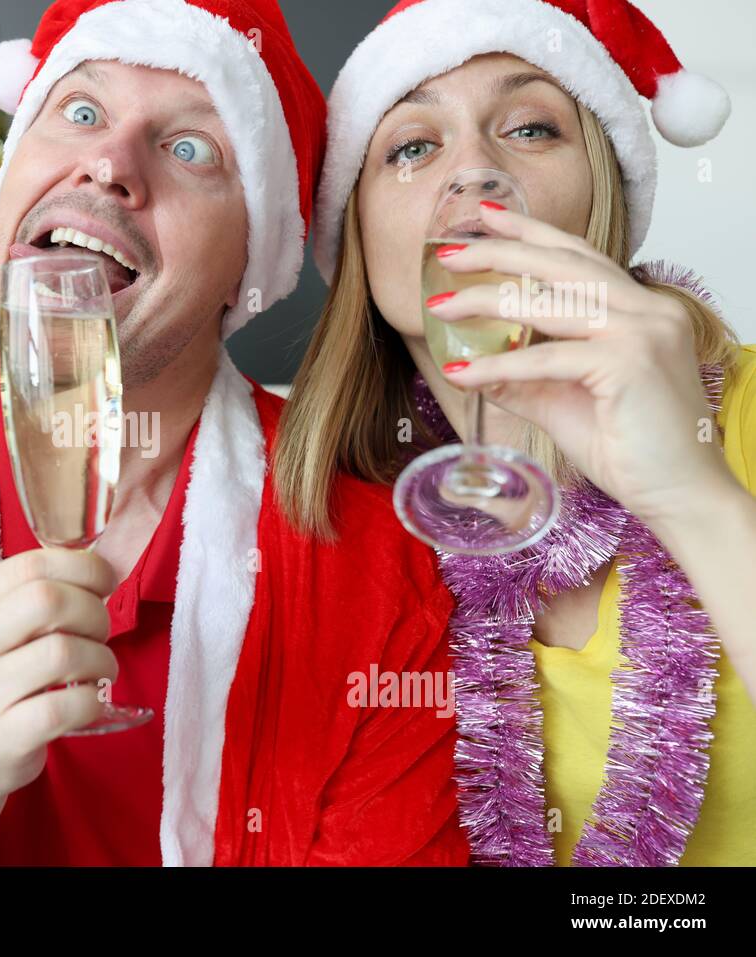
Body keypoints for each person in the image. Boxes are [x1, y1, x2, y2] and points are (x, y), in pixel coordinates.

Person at [0, 0, 467, 867]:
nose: (109, 164)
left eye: (191, 148)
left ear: (248, 269)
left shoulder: (380, 557)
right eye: (80, 111)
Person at [276, 0, 755, 865]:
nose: (473, 174)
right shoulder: (325, 522)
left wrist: (693, 494)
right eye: (412, 146)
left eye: (530, 128)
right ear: (358, 236)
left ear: (603, 194)